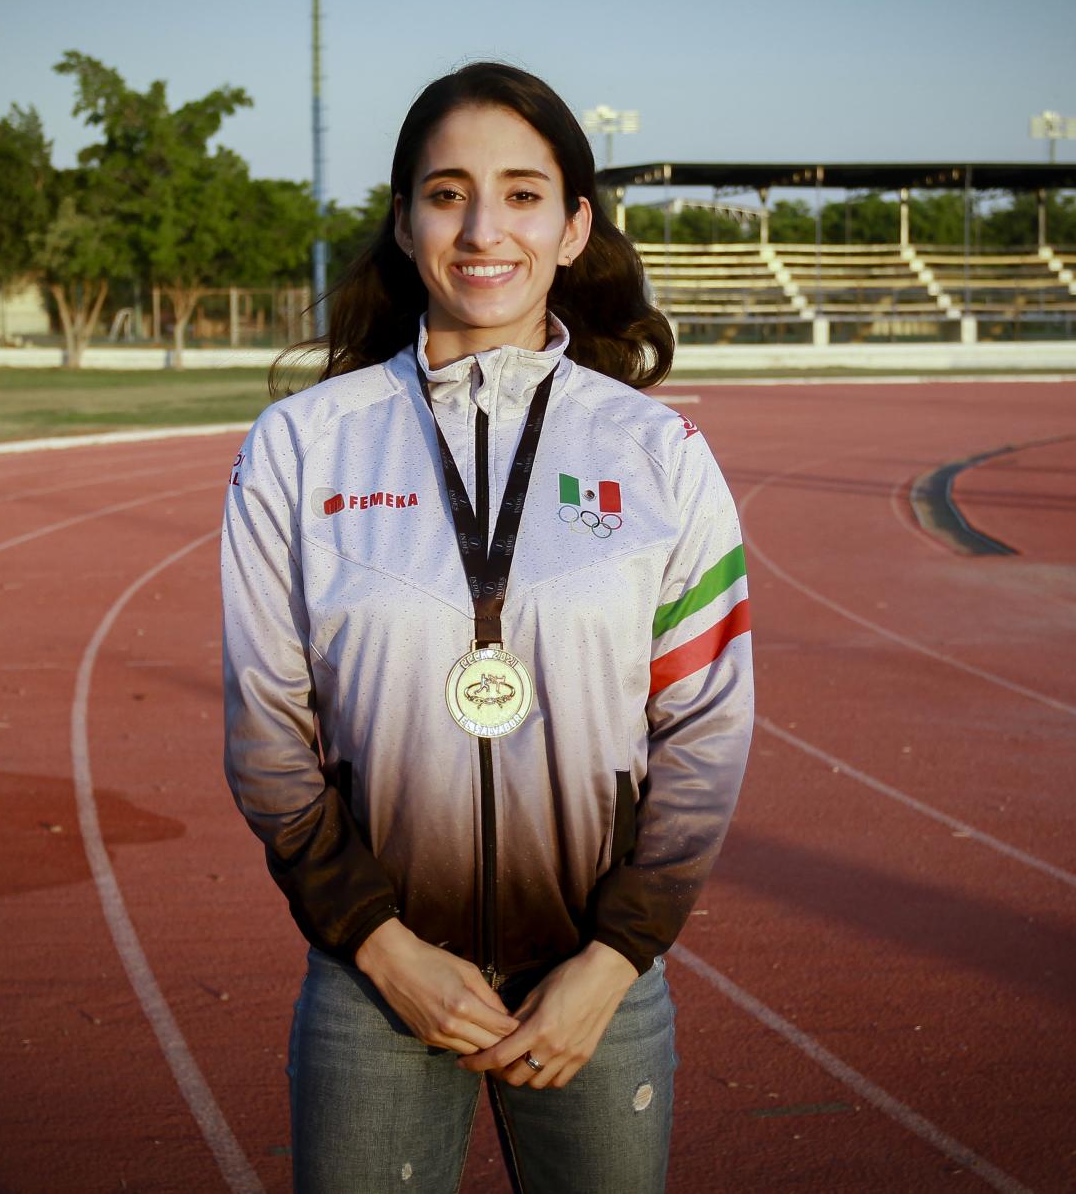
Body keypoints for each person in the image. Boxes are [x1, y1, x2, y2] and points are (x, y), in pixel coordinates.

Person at [220, 62, 754, 1192]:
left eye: (521, 193)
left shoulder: (659, 457)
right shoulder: (301, 447)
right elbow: (268, 735)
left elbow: (704, 733)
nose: (481, 227)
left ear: (572, 228)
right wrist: (381, 946)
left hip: (593, 989)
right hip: (376, 984)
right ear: (407, 220)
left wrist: (612, 961)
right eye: (446, 190)